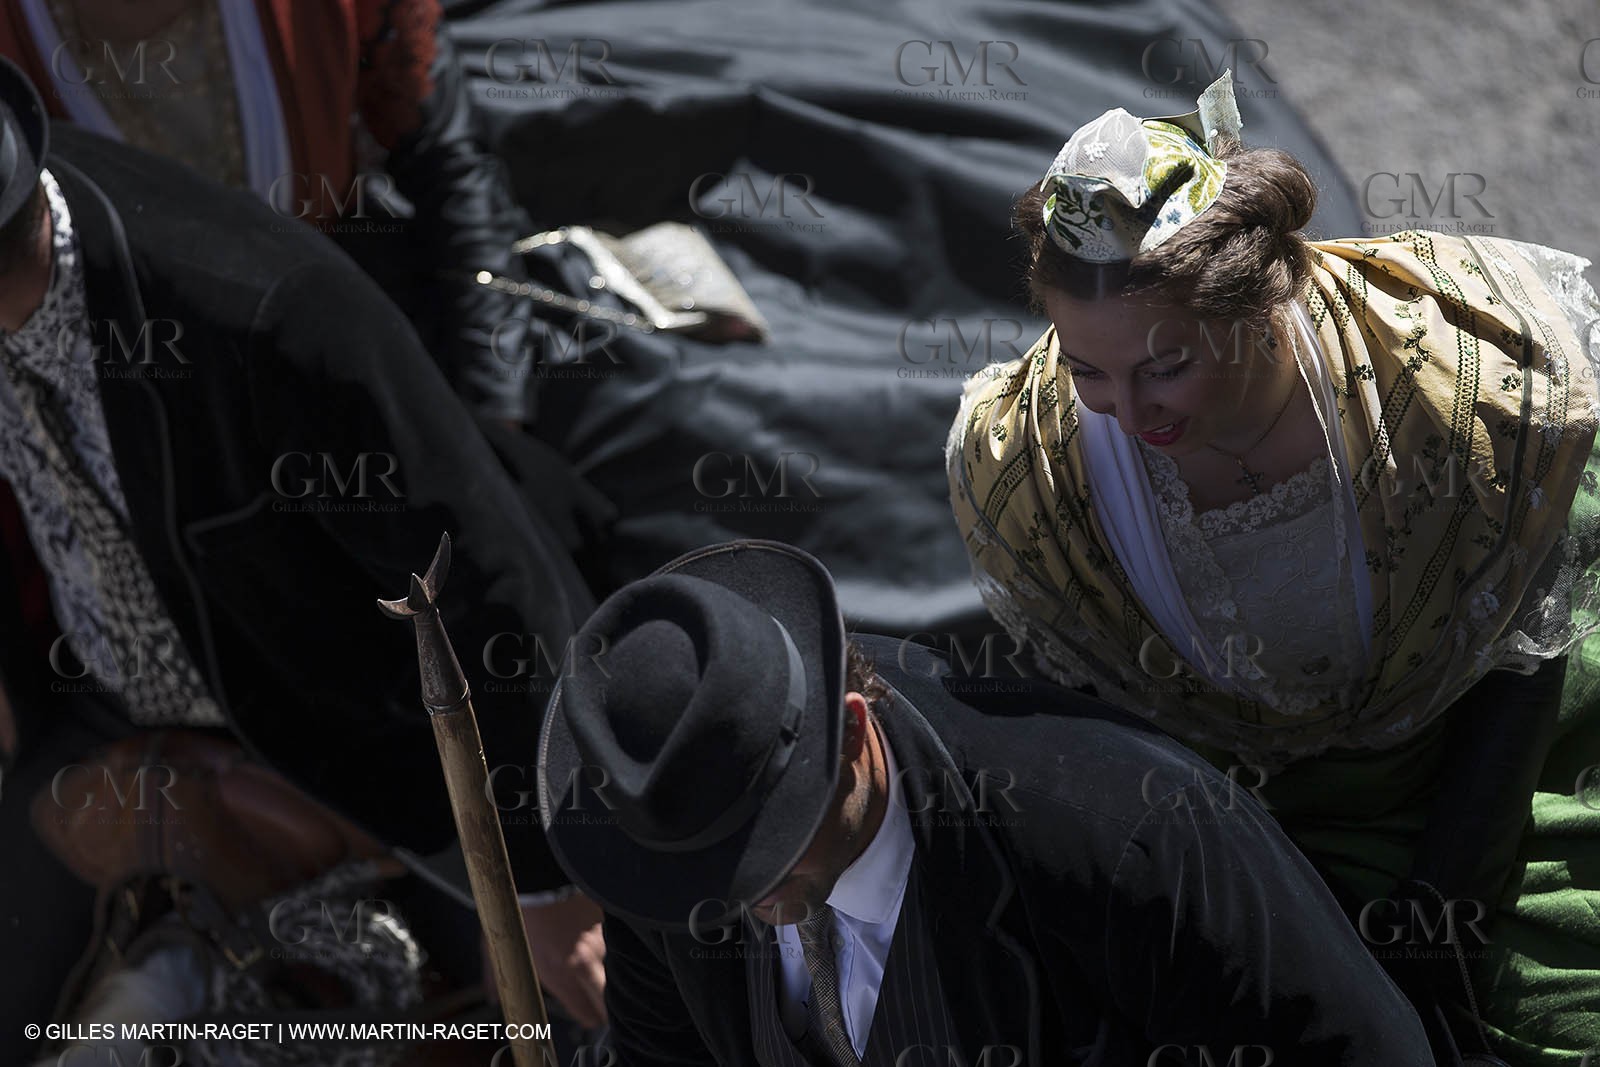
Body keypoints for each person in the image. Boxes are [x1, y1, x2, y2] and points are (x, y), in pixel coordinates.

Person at [946, 70, 1600, 1066]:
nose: (1126, 408)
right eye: (1088, 369)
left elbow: (1521, 664)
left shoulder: (1452, 381)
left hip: (1487, 769)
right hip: (1236, 822)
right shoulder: (1034, 471)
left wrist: (1445, 904)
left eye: (1165, 363)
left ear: (1253, 306)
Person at [0, 56, 601, 1064]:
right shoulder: (27, 215)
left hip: (353, 747)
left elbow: (487, 575)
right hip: (96, 708)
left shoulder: (269, 317)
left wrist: (538, 878)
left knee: (579, 1016)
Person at [535, 537, 1434, 1065]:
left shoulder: (1130, 839)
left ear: (850, 732)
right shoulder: (661, 845)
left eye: (763, 845)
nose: (734, 895)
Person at [0, 0, 536, 425]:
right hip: (143, 438)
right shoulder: (14, 46)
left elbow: (450, 165)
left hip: (368, 377)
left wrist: (495, 398)